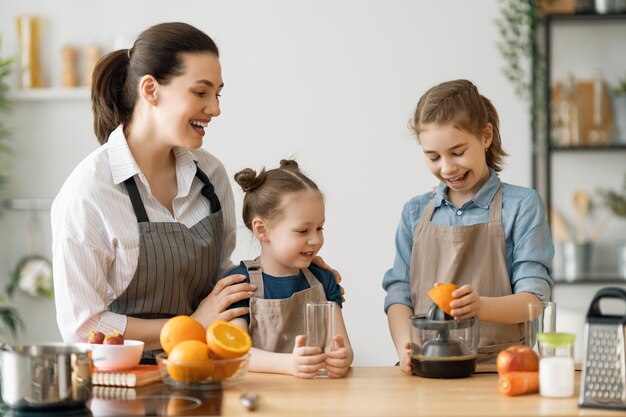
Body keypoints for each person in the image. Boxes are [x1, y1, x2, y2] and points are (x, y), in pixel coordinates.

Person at [50, 22, 340, 360]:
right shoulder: (89, 193)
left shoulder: (211, 175)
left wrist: (294, 268)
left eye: (217, 94)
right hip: (123, 383)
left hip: (206, 371)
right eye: (200, 92)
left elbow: (222, 279)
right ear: (151, 90)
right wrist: (189, 324)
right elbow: (83, 327)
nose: (215, 109)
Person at [382, 79, 554, 373]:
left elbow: (534, 300)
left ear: (486, 136)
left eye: (458, 152)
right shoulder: (414, 212)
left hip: (501, 369)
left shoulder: (522, 205)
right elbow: (398, 295)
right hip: (428, 369)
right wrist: (406, 347)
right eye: (433, 157)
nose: (446, 168)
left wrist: (480, 307)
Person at [226, 159, 353, 378]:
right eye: (303, 231)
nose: (315, 240)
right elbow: (235, 353)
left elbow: (343, 346)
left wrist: (342, 358)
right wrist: (287, 364)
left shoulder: (323, 280)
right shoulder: (240, 284)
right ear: (262, 229)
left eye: (319, 228)